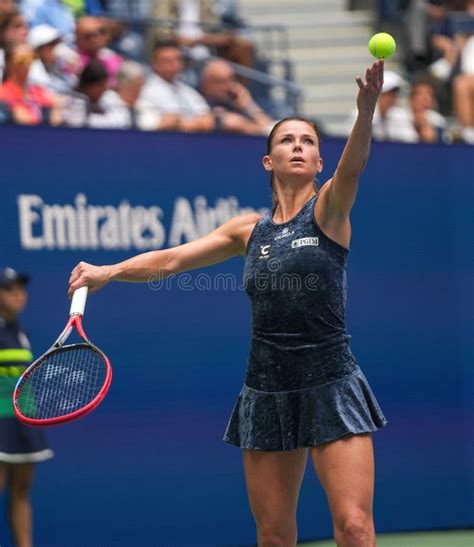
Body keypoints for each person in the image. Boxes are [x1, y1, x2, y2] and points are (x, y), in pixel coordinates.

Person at [68, 61, 388, 546]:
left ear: (320, 162)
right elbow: (173, 258)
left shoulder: (329, 208)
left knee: (355, 527)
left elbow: (354, 166)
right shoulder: (247, 230)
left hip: (330, 381)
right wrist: (109, 272)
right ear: (268, 160)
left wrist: (365, 112)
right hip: (265, 389)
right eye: (287, 140)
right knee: (274, 535)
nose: (298, 147)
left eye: (308, 142)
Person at [0, 267, 53, 547]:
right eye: (9, 288)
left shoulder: (19, 330)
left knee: (21, 492)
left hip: (24, 419)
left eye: (21, 288)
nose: (18, 294)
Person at [139, 39, 214, 133]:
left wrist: (183, 123)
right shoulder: (146, 90)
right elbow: (164, 123)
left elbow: (208, 120)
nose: (174, 65)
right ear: (155, 64)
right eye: (168, 61)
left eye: (178, 59)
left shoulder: (188, 91)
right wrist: (194, 124)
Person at [200, 58, 274, 135]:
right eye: (222, 82)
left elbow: (268, 127)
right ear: (206, 83)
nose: (228, 86)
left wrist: (249, 105)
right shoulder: (197, 102)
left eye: (231, 80)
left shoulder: (235, 102)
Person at [0, 42, 63, 125]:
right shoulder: (2, 92)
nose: (27, 64)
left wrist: (56, 109)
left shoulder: (38, 91)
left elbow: (56, 120)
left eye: (31, 58)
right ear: (8, 63)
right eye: (21, 60)